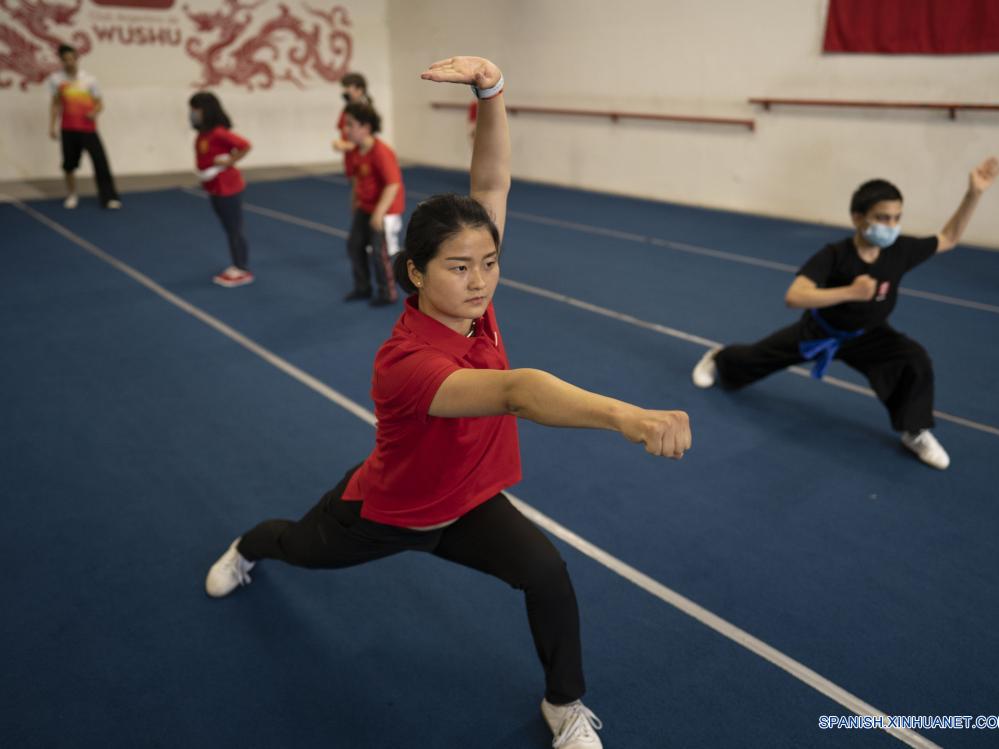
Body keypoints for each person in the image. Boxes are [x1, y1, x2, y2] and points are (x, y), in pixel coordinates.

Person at [205, 55, 692, 749]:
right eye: (459, 268)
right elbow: (519, 391)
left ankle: (564, 702)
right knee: (296, 545)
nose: (481, 280)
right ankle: (244, 547)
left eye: (488, 263)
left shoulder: (472, 303)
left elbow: (491, 180)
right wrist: (626, 415)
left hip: (467, 503)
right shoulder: (406, 361)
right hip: (390, 511)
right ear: (415, 272)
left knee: (546, 572)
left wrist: (492, 89)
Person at [691, 157, 999, 470]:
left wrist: (974, 194)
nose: (891, 226)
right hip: (821, 331)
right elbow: (794, 296)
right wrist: (849, 292)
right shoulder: (834, 256)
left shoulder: (900, 250)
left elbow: (948, 238)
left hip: (870, 334)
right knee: (757, 357)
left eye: (897, 218)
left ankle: (914, 431)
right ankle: (720, 359)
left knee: (913, 360)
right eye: (882, 218)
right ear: (858, 218)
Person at [342, 101, 405, 305]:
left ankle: (388, 293)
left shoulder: (381, 152)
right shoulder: (355, 152)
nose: (346, 129)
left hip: (384, 210)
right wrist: (355, 201)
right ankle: (363, 287)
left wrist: (379, 213)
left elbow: (392, 185)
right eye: (346, 124)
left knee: (379, 252)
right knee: (354, 245)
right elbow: (357, 180)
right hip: (365, 206)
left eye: (351, 125)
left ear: (366, 128)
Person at [189, 91, 254, 288]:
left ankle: (241, 268)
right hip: (214, 187)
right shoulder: (203, 134)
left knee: (234, 228)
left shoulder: (218, 132)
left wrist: (230, 161)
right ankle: (236, 263)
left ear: (206, 111)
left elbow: (245, 145)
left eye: (195, 110)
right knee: (228, 227)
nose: (192, 114)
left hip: (228, 187)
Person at [48, 44, 121, 210]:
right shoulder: (56, 80)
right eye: (65, 60)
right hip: (68, 129)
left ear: (76, 59)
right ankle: (72, 194)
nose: (69, 62)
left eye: (72, 59)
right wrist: (51, 126)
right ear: (61, 61)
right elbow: (55, 105)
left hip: (88, 129)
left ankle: (109, 197)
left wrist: (94, 112)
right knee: (69, 164)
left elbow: (100, 104)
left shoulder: (89, 79)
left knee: (100, 161)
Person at [331, 71, 371, 154]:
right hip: (350, 157)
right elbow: (343, 131)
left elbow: (367, 140)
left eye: (348, 87)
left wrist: (349, 145)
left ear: (360, 90)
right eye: (345, 88)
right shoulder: (346, 109)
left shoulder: (365, 110)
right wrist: (340, 144)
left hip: (362, 157)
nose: (345, 91)